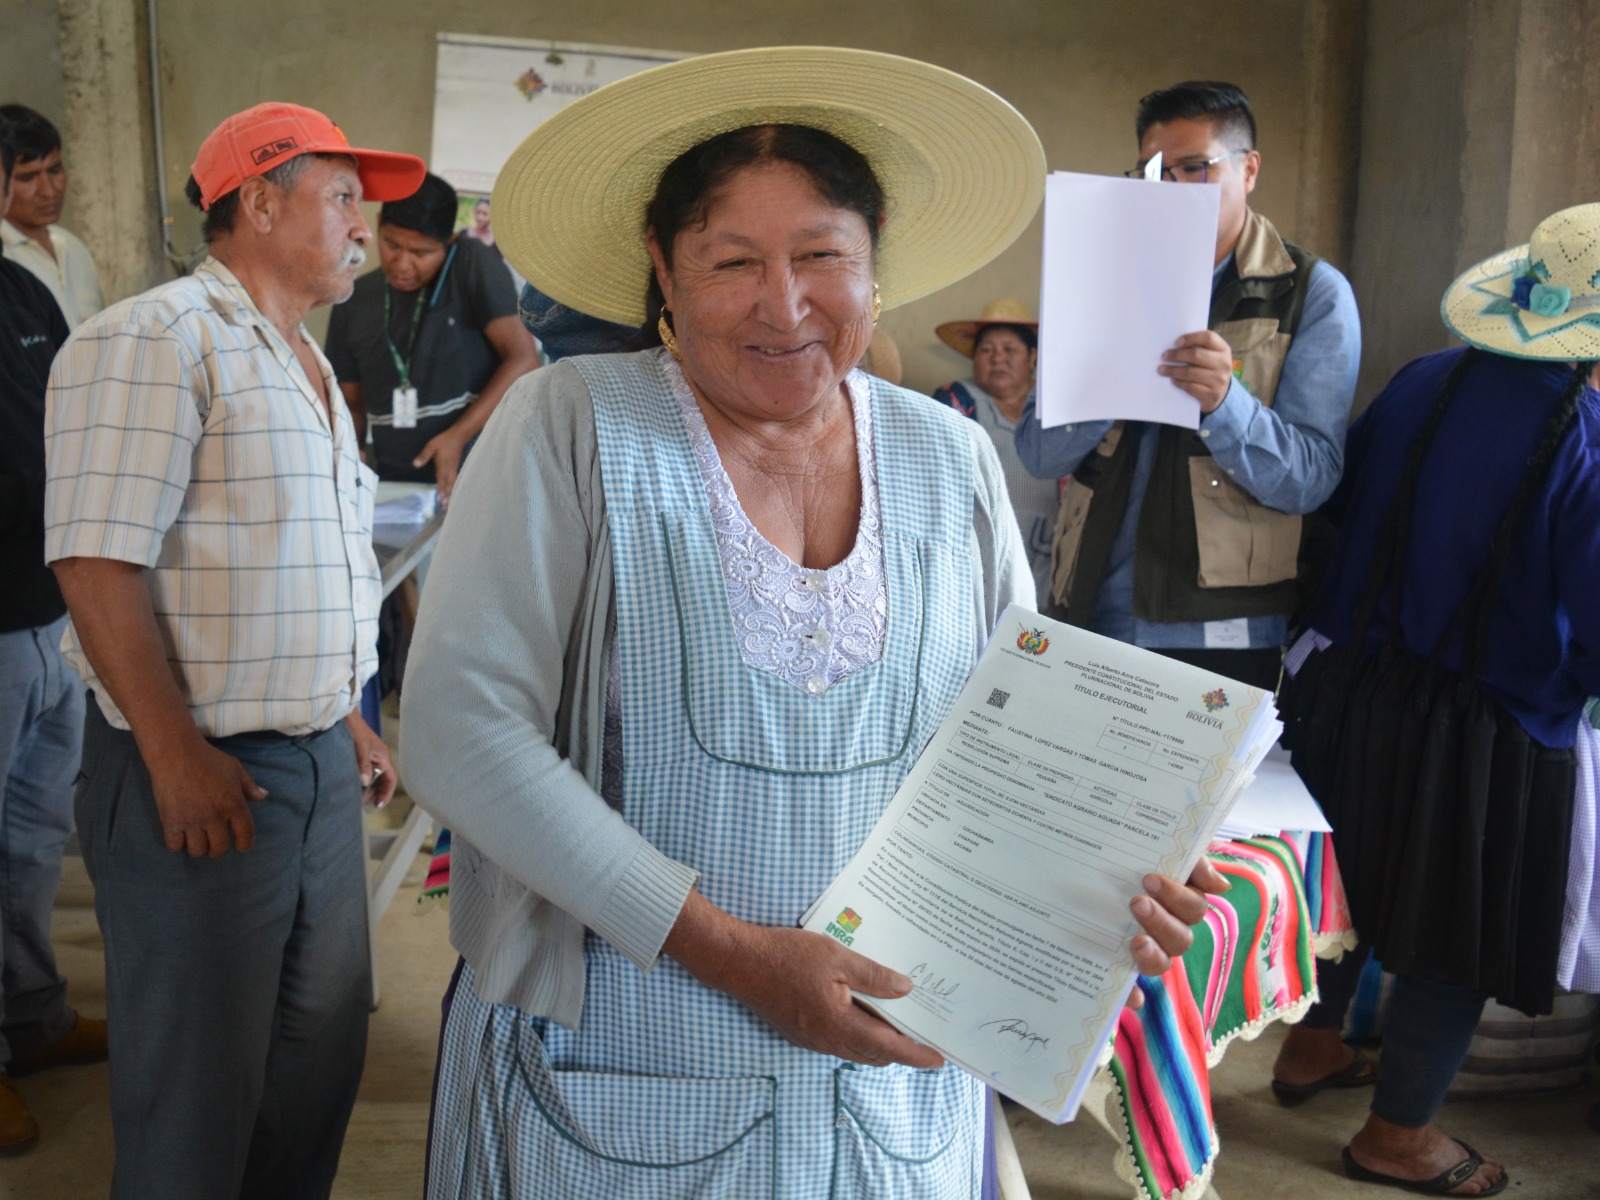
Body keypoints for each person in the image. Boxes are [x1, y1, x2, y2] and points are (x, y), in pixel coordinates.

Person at [402, 46, 1230, 1198]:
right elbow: (460, 734)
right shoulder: (570, 425)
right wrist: (737, 956)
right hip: (615, 1083)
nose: (784, 306)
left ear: (874, 262)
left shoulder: (947, 457)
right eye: (732, 260)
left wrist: (1115, 864)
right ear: (662, 267)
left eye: (822, 256)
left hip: (886, 1097)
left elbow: (1020, 740)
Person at [43, 101, 419, 1199]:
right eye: (342, 197)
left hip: (313, 766)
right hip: (203, 768)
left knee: (313, 1069)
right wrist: (171, 754)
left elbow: (286, 566)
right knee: (197, 1099)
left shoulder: (303, 361)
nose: (363, 226)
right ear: (258, 200)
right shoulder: (155, 339)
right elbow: (96, 564)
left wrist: (344, 717)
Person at [1271, 203, 1600, 1196]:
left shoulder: (1424, 379)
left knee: (1346, 895)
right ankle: (1398, 1134)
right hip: (1486, 727)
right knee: (1451, 934)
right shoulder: (1583, 436)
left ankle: (1309, 1047)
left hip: (1345, 691)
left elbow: (1336, 512)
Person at [1015, 81, 1361, 690]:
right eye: (1154, 171)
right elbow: (1038, 455)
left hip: (1219, 629)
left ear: (1249, 169)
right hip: (1090, 608)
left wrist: (1226, 405)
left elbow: (1312, 478)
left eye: (1195, 167)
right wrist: (1104, 381)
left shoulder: (1310, 292)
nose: (1171, 188)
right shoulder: (1095, 278)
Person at [0, 123, 106, 1157]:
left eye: (48, 169)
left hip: (47, 602)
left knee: (33, 833)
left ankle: (30, 1018)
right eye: (22, 174)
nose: (43, 188)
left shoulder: (30, 288)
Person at [326, 171, 537, 501]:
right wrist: (347, 449)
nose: (402, 265)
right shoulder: (353, 298)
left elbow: (524, 360)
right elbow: (351, 402)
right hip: (395, 486)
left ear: (449, 242)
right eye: (392, 244)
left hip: (474, 480)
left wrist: (458, 435)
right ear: (377, 224)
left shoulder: (470, 263)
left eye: (421, 253)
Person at [933, 298, 1056, 603]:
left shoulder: (1056, 406)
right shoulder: (957, 399)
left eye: (1009, 349)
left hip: (1048, 547)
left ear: (1033, 357)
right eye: (987, 350)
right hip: (978, 546)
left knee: (1037, 625)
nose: (997, 358)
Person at [0, 104, 103, 329]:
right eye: (28, 177)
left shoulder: (73, 246)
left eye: (55, 170)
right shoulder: (5, 260)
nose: (48, 191)